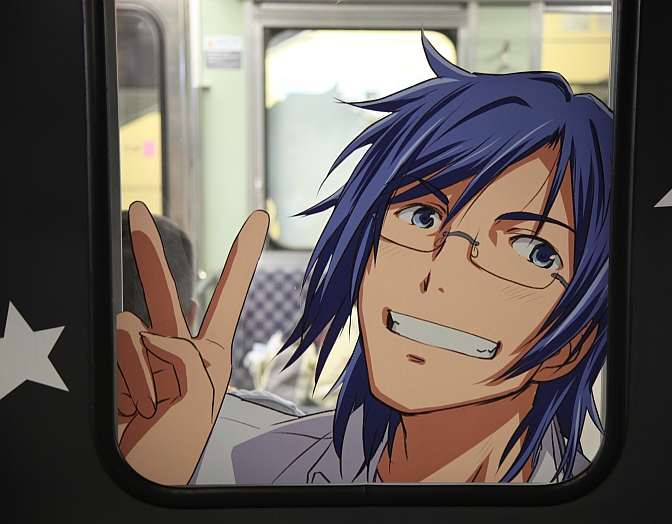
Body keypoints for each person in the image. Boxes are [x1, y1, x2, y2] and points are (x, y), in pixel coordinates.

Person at [116, 34, 611, 485]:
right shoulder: (256, 462)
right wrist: (155, 479)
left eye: (532, 251)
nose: (441, 275)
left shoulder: (599, 498)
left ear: (573, 341)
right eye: (422, 216)